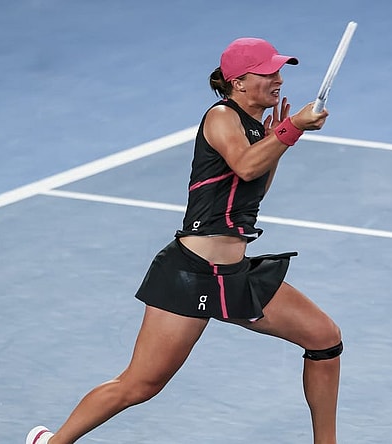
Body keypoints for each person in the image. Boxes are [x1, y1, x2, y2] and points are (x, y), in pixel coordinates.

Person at [27, 37, 343, 444]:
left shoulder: (253, 127)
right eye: (268, 73)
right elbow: (246, 167)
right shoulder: (221, 117)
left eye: (279, 71)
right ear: (239, 82)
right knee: (140, 385)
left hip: (235, 273)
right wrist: (290, 128)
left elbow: (252, 191)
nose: (278, 79)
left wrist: (277, 141)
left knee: (324, 338)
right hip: (190, 275)